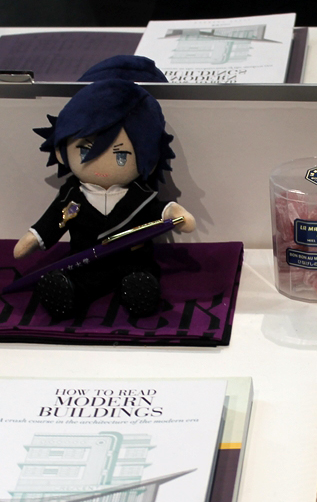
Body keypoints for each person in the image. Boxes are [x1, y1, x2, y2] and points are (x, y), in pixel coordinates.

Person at [14, 56, 194, 318]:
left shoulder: (139, 195)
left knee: (140, 277)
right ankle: (69, 294)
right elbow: (53, 220)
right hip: (86, 261)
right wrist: (33, 238)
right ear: (62, 152)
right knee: (79, 281)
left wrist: (175, 214)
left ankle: (138, 291)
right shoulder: (72, 195)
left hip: (132, 260)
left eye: (121, 156)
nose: (101, 165)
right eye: (85, 151)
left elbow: (160, 210)